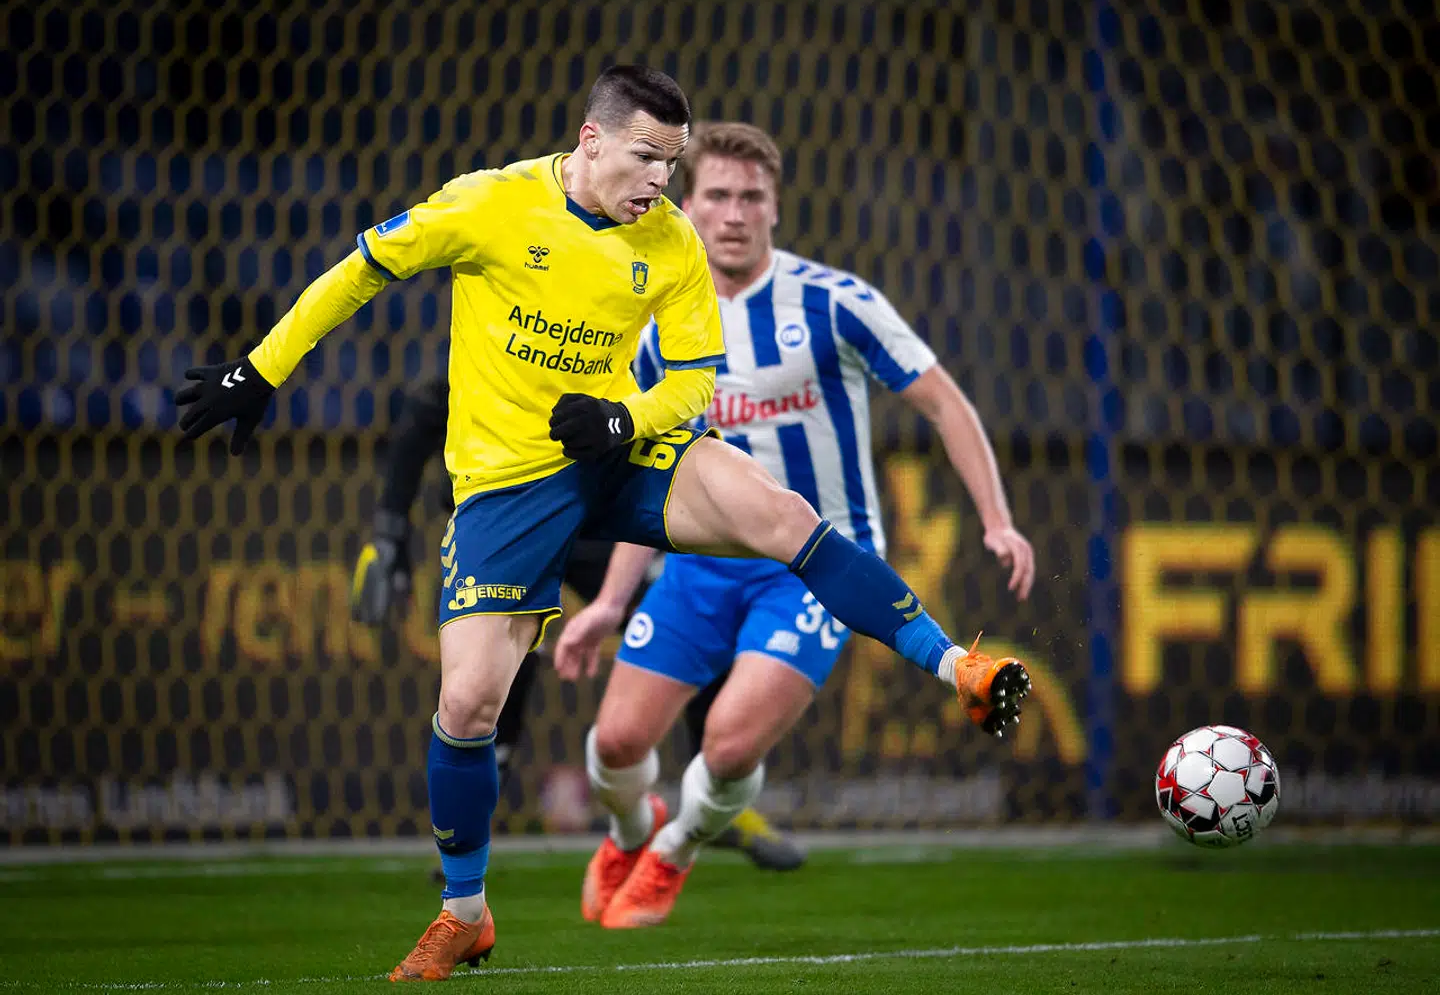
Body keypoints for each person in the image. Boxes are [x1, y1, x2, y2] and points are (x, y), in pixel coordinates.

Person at [175, 65, 1031, 983]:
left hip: (618, 454)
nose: (662, 181)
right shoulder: (488, 205)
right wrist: (261, 371)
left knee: (780, 509)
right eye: (647, 157)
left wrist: (627, 420)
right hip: (507, 485)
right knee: (467, 705)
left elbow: (695, 382)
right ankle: (465, 908)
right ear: (591, 140)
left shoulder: (669, 243)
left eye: (674, 161)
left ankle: (958, 665)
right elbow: (363, 270)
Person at [551, 122, 1036, 930]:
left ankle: (673, 851)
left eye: (752, 197)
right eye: (718, 195)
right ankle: (629, 830)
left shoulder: (834, 302)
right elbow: (649, 473)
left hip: (816, 567)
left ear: (776, 206)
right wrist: (607, 602)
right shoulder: (649, 319)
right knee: (615, 745)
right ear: (686, 200)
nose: (734, 213)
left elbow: (943, 401)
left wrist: (997, 519)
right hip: (698, 567)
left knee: (733, 745)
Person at [350, 374, 807, 873]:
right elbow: (424, 411)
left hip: (595, 522)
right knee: (491, 675)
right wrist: (388, 533)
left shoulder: (611, 339)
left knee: (686, 628)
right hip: (506, 525)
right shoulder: (505, 339)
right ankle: (468, 835)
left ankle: (721, 802)